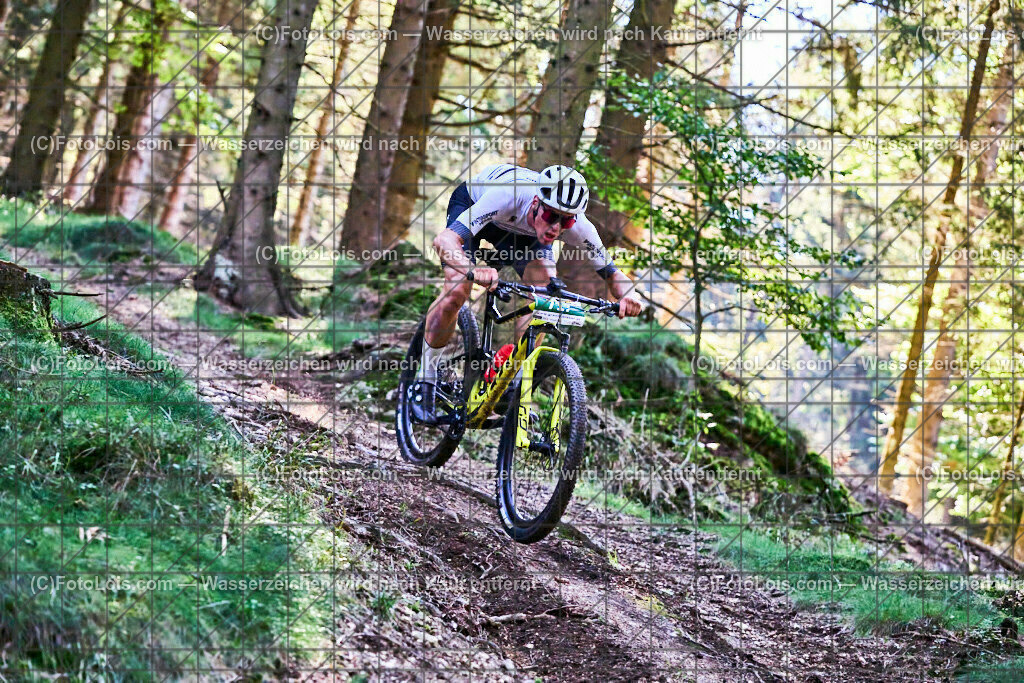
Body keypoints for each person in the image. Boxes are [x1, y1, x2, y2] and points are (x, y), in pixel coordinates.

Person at [411, 163, 645, 423]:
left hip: (528, 236)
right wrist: (471, 269)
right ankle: (426, 378)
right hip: (477, 207)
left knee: (547, 302)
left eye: (565, 220)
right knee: (457, 289)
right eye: (551, 215)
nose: (556, 227)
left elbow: (614, 275)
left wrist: (631, 297)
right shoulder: (509, 194)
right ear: (536, 202)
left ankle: (512, 383)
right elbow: (444, 241)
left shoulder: (580, 228)